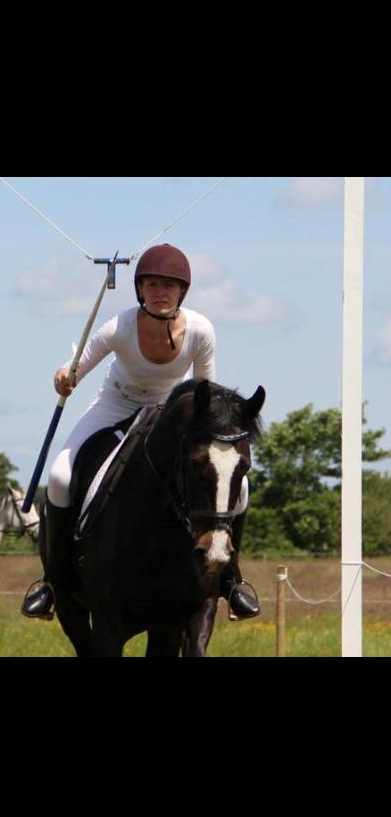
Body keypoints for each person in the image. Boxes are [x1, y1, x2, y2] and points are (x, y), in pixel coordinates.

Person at [21, 244, 260, 623]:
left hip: (172, 411)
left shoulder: (201, 330)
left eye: (169, 285)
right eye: (151, 284)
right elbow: (75, 368)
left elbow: (204, 394)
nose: (160, 292)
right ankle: (53, 581)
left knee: (241, 487)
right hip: (116, 402)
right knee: (61, 477)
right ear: (140, 290)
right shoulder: (119, 327)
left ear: (182, 291)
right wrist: (64, 378)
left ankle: (230, 580)